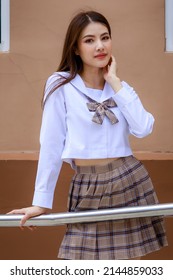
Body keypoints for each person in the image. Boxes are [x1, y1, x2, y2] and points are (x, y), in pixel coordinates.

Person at [9, 10, 168, 260]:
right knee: (82, 265)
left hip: (129, 180)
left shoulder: (120, 88)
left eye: (105, 38)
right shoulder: (60, 84)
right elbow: (51, 143)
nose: (100, 46)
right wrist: (41, 201)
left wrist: (114, 82)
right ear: (75, 48)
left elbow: (144, 127)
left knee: (124, 269)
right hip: (87, 185)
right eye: (89, 40)